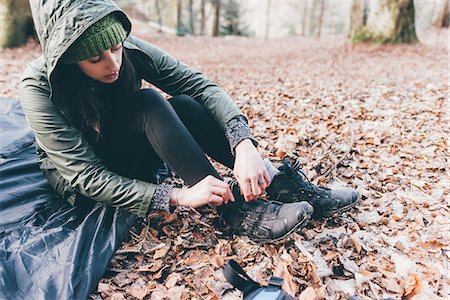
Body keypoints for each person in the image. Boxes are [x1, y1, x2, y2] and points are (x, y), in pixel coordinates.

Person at [20, 0, 359, 244]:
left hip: (130, 140)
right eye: (96, 59)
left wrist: (244, 145)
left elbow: (200, 84)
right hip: (93, 172)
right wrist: (178, 197)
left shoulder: (120, 46)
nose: (114, 63)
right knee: (150, 102)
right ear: (69, 60)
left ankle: (276, 180)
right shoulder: (39, 88)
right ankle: (235, 212)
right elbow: (85, 176)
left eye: (116, 48)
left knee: (183, 102)